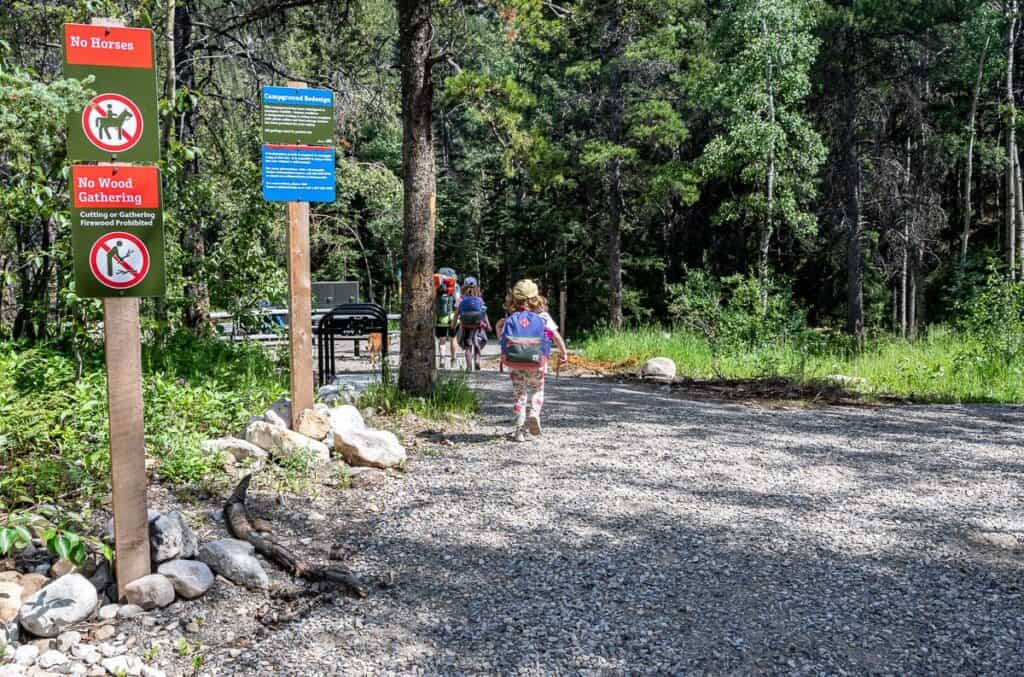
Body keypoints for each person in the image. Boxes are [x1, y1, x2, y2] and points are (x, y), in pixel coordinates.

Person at [500, 279, 568, 442]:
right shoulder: (543, 317)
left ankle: (519, 430)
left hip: (515, 364)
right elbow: (555, 336)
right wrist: (564, 353)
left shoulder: (512, 318)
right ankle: (534, 413)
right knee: (537, 390)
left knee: (519, 394)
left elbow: (504, 340)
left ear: (514, 299)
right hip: (537, 362)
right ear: (536, 297)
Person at [453, 276, 491, 371]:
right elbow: (484, 313)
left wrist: (453, 325)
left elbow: (456, 314)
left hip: (465, 326)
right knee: (477, 343)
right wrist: (488, 325)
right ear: (476, 288)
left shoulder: (461, 299)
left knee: (467, 346)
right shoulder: (479, 299)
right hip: (478, 326)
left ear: (463, 288)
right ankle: (477, 361)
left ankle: (469, 366)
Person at [433, 268, 461, 368]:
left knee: (442, 340)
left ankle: (442, 359)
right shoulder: (456, 286)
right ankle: (453, 360)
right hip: (453, 317)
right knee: (453, 339)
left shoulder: (437, 286)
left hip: (441, 318)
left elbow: (433, 301)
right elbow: (458, 302)